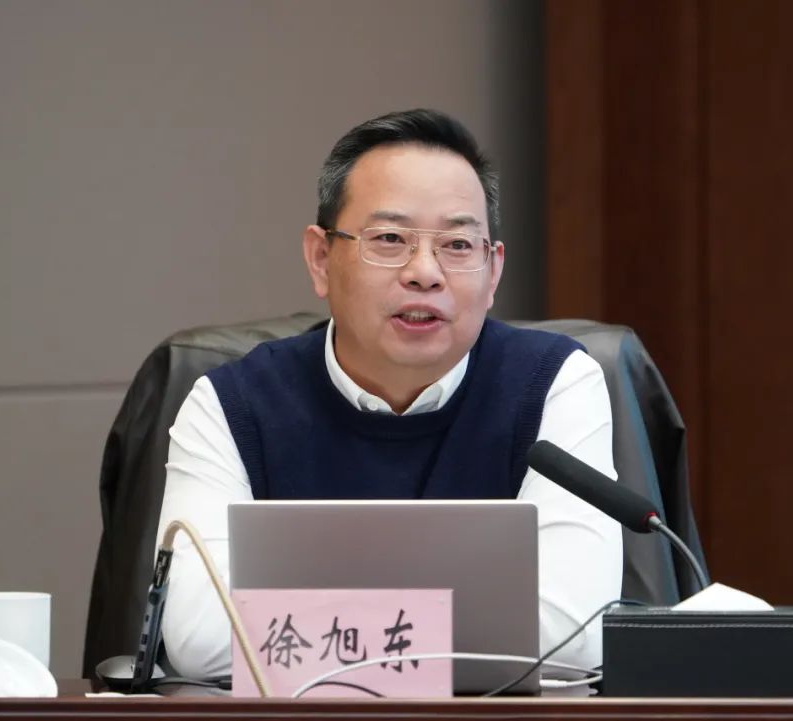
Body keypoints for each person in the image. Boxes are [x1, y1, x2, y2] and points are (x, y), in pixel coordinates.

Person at [156, 109, 622, 681]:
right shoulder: (231, 405)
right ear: (321, 259)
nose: (425, 272)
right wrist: (479, 628)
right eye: (391, 239)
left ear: (493, 271)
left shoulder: (555, 385)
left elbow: (577, 635)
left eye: (457, 244)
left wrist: (301, 628)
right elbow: (200, 639)